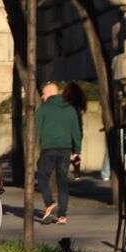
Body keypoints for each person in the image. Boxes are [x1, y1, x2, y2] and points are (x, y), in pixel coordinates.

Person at [35, 80, 81, 224]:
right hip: (66, 149)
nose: (42, 97)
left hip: (48, 149)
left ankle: (49, 203)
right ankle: (62, 215)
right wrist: (77, 151)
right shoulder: (70, 108)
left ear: (48, 93)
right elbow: (76, 132)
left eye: (43, 94)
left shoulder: (43, 108)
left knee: (42, 176)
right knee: (62, 182)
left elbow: (36, 130)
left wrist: (34, 147)